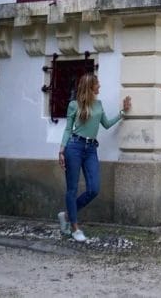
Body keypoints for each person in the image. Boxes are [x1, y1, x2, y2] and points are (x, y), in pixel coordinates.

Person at [57, 73, 131, 242]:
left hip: (91, 149)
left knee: (94, 188)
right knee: (72, 188)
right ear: (90, 87)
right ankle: (75, 228)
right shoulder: (73, 105)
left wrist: (123, 112)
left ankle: (66, 215)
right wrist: (61, 150)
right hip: (74, 147)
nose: (100, 87)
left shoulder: (99, 105)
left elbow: (105, 124)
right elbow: (68, 129)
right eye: (97, 84)